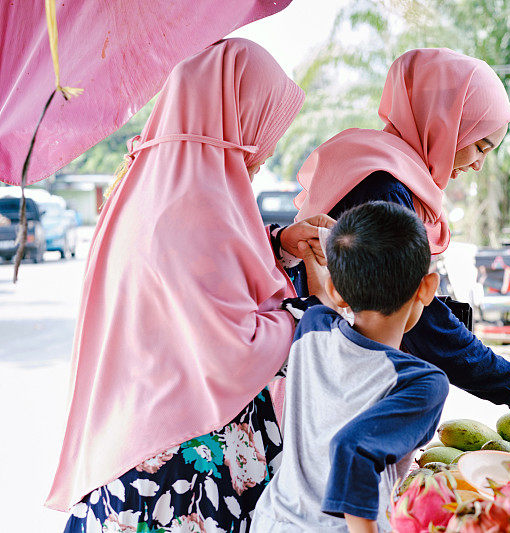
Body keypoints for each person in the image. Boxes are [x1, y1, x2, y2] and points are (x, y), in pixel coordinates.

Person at [48, 39, 333, 533]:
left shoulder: (154, 180)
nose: (266, 146)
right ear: (229, 115)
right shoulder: (196, 205)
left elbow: (201, 278)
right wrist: (313, 313)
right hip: (172, 476)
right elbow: (230, 347)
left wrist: (278, 242)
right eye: (261, 124)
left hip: (129, 446)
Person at [292, 48, 510, 442]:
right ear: (445, 123)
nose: (478, 164)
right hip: (341, 409)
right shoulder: (380, 185)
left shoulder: (388, 173)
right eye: (480, 145)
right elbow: (402, 307)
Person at [252, 201, 448, 533]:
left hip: (274, 521)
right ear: (427, 288)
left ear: (336, 291)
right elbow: (353, 449)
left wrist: (320, 257)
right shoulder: (422, 383)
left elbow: (324, 303)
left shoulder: (313, 327)